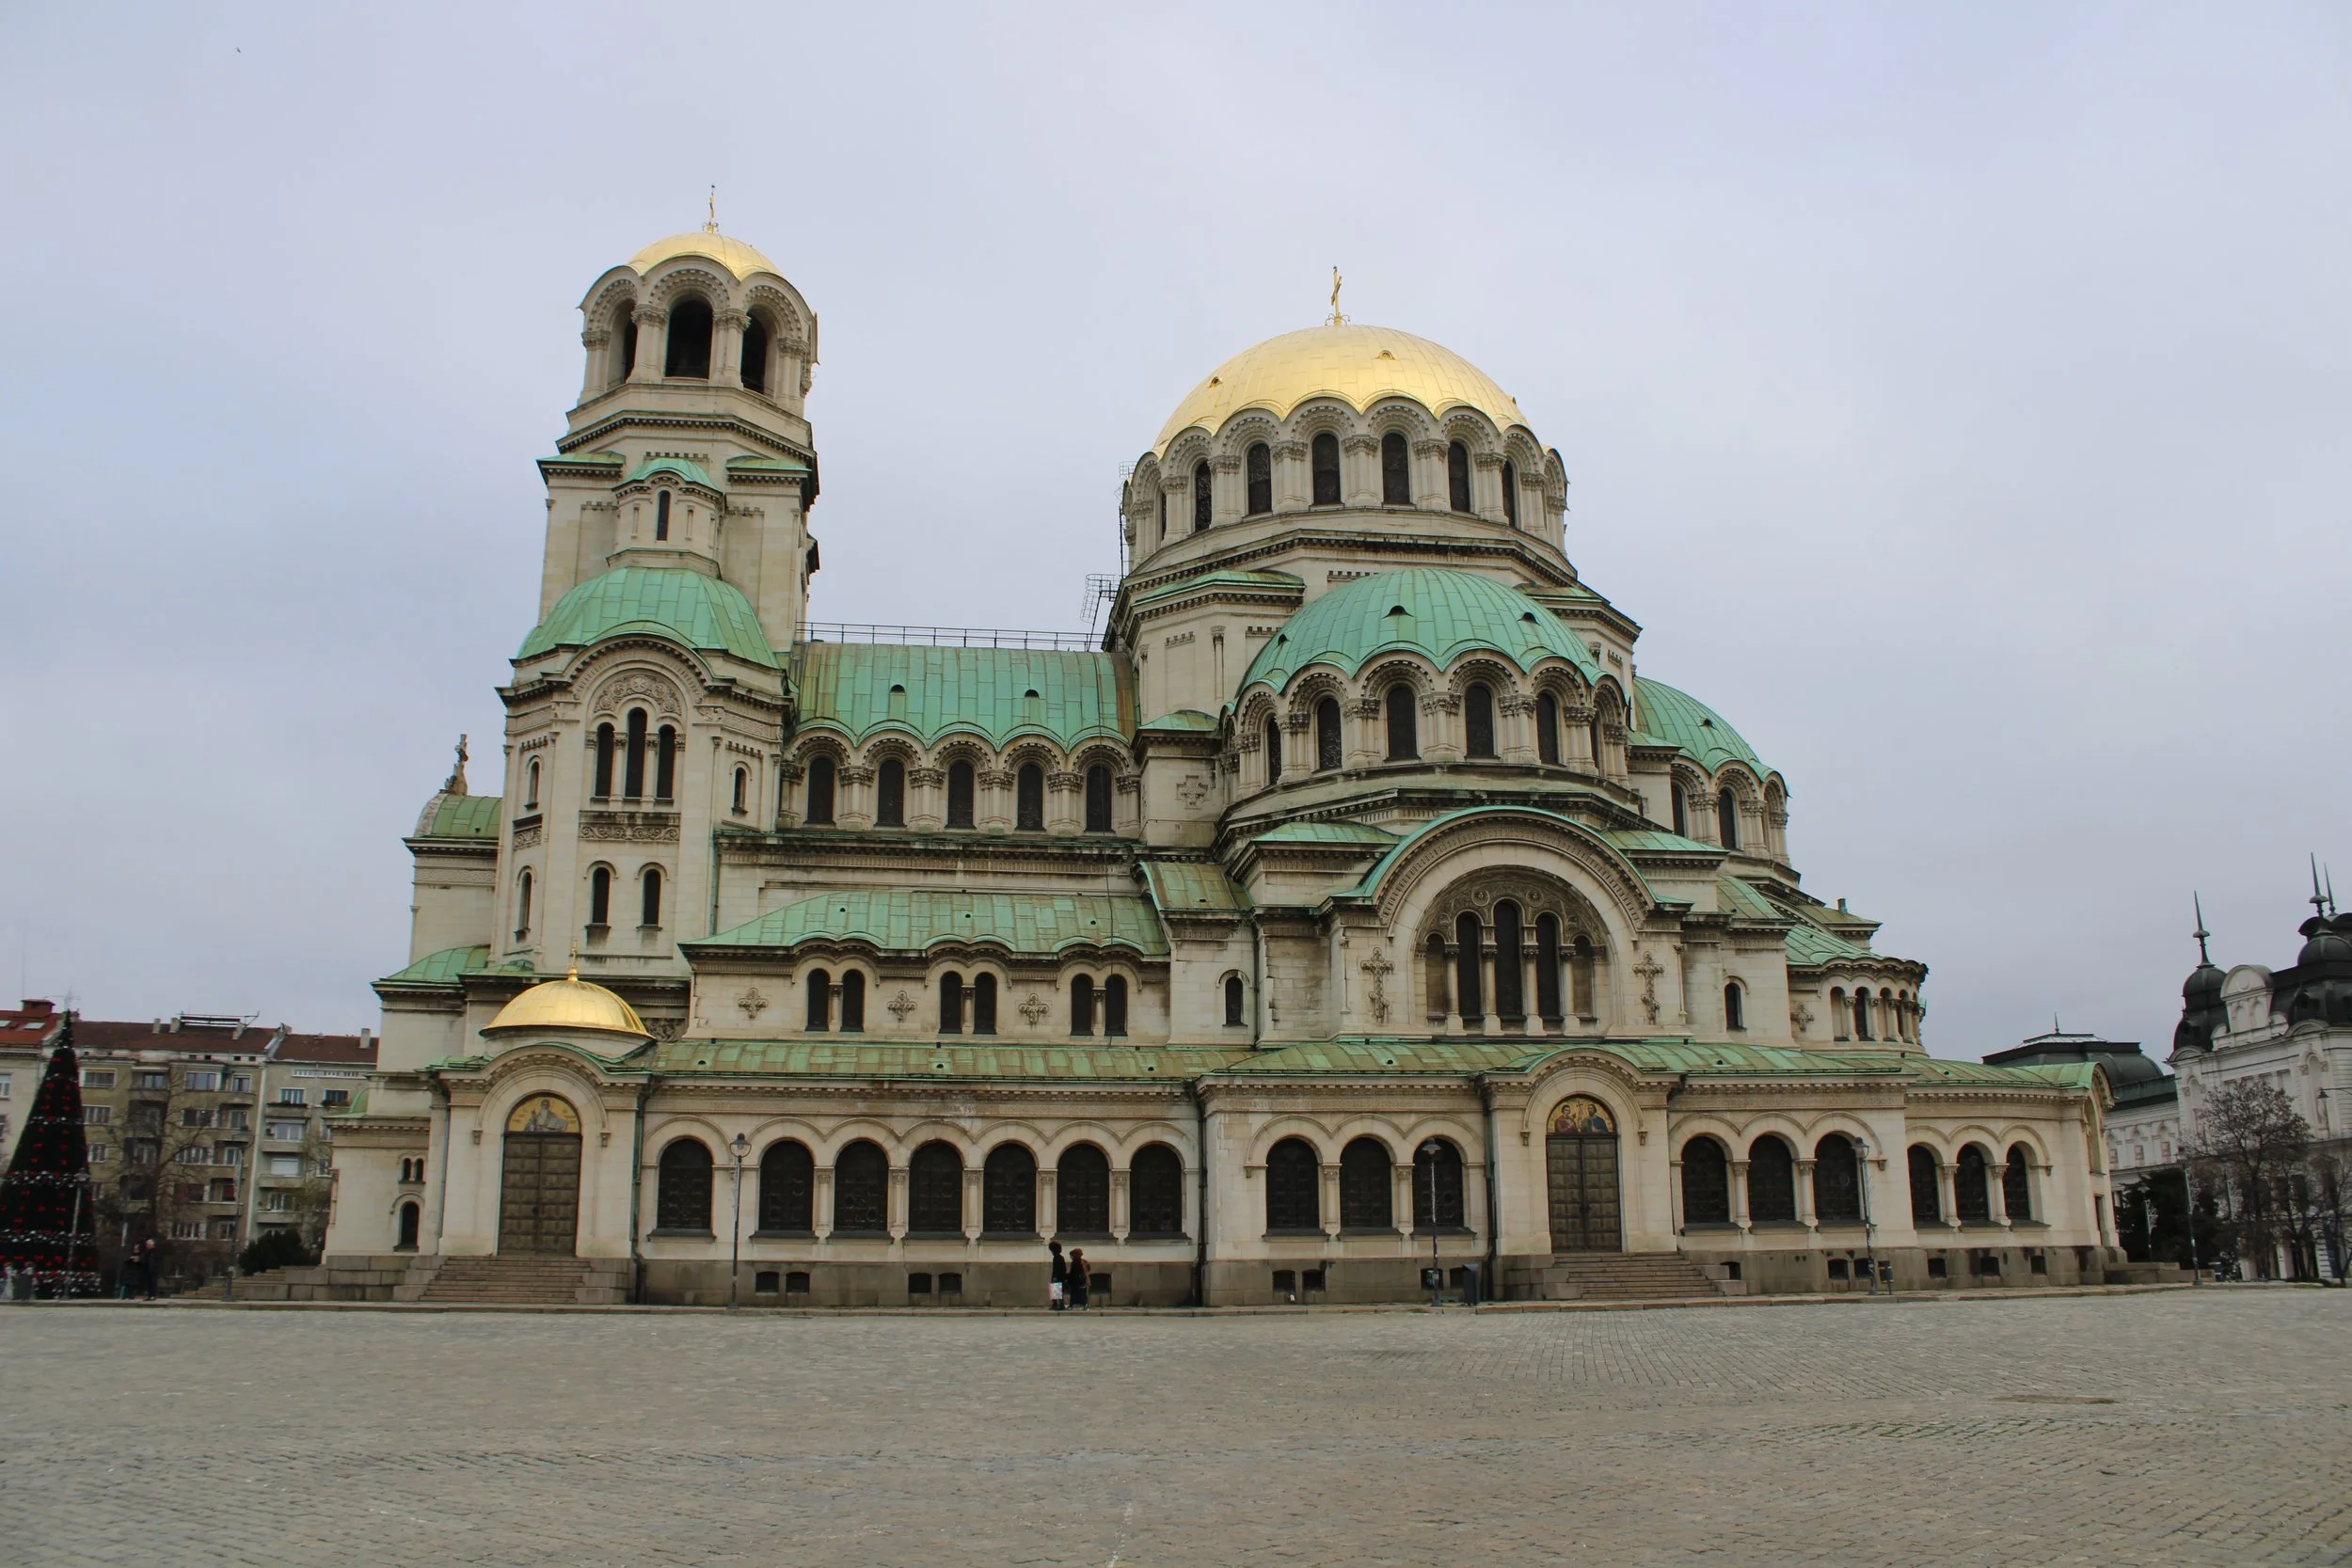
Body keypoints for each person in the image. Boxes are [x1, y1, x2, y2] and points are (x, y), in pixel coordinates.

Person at [1066, 1247, 1089, 1311]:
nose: (1070, 1257)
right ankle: (1085, 1305)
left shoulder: (1075, 1262)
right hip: (1082, 1280)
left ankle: (1071, 1305)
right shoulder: (1084, 1261)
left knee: (1073, 1293)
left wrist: (1068, 1279)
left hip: (1076, 1281)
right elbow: (1088, 1269)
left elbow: (1073, 1272)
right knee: (1083, 1293)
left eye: (1071, 1255)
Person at [1047, 1240, 1067, 1310]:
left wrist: (1055, 1277)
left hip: (1057, 1276)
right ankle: (1057, 1304)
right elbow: (1064, 1268)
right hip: (1061, 1276)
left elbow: (1056, 1268)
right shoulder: (1060, 1257)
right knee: (1056, 1291)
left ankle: (1059, 1305)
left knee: (1057, 1291)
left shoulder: (1056, 1258)